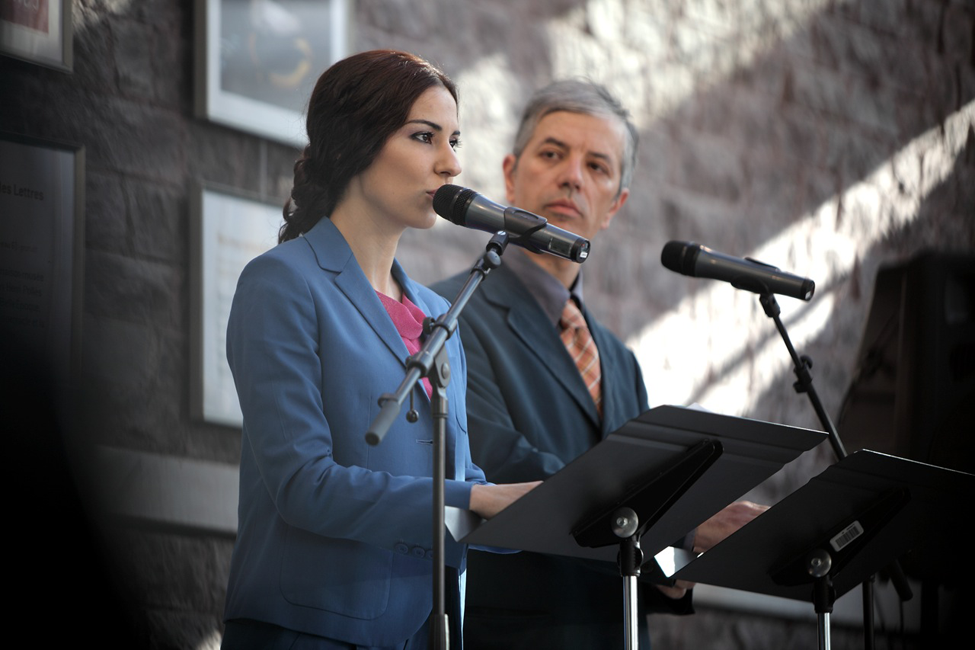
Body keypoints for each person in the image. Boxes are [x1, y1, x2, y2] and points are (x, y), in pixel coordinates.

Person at [221, 50, 536, 650]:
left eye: (454, 140)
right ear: (353, 141)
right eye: (425, 137)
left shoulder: (441, 312)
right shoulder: (282, 282)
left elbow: (461, 482)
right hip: (310, 629)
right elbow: (304, 485)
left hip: (431, 632)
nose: (451, 163)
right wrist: (478, 497)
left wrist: (542, 512)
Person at [433, 80, 766, 648]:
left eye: (598, 166)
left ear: (616, 204)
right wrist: (677, 521)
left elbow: (644, 490)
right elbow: (501, 465)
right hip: (507, 633)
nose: (572, 177)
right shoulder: (447, 314)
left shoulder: (618, 358)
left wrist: (674, 561)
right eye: (552, 154)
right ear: (511, 173)